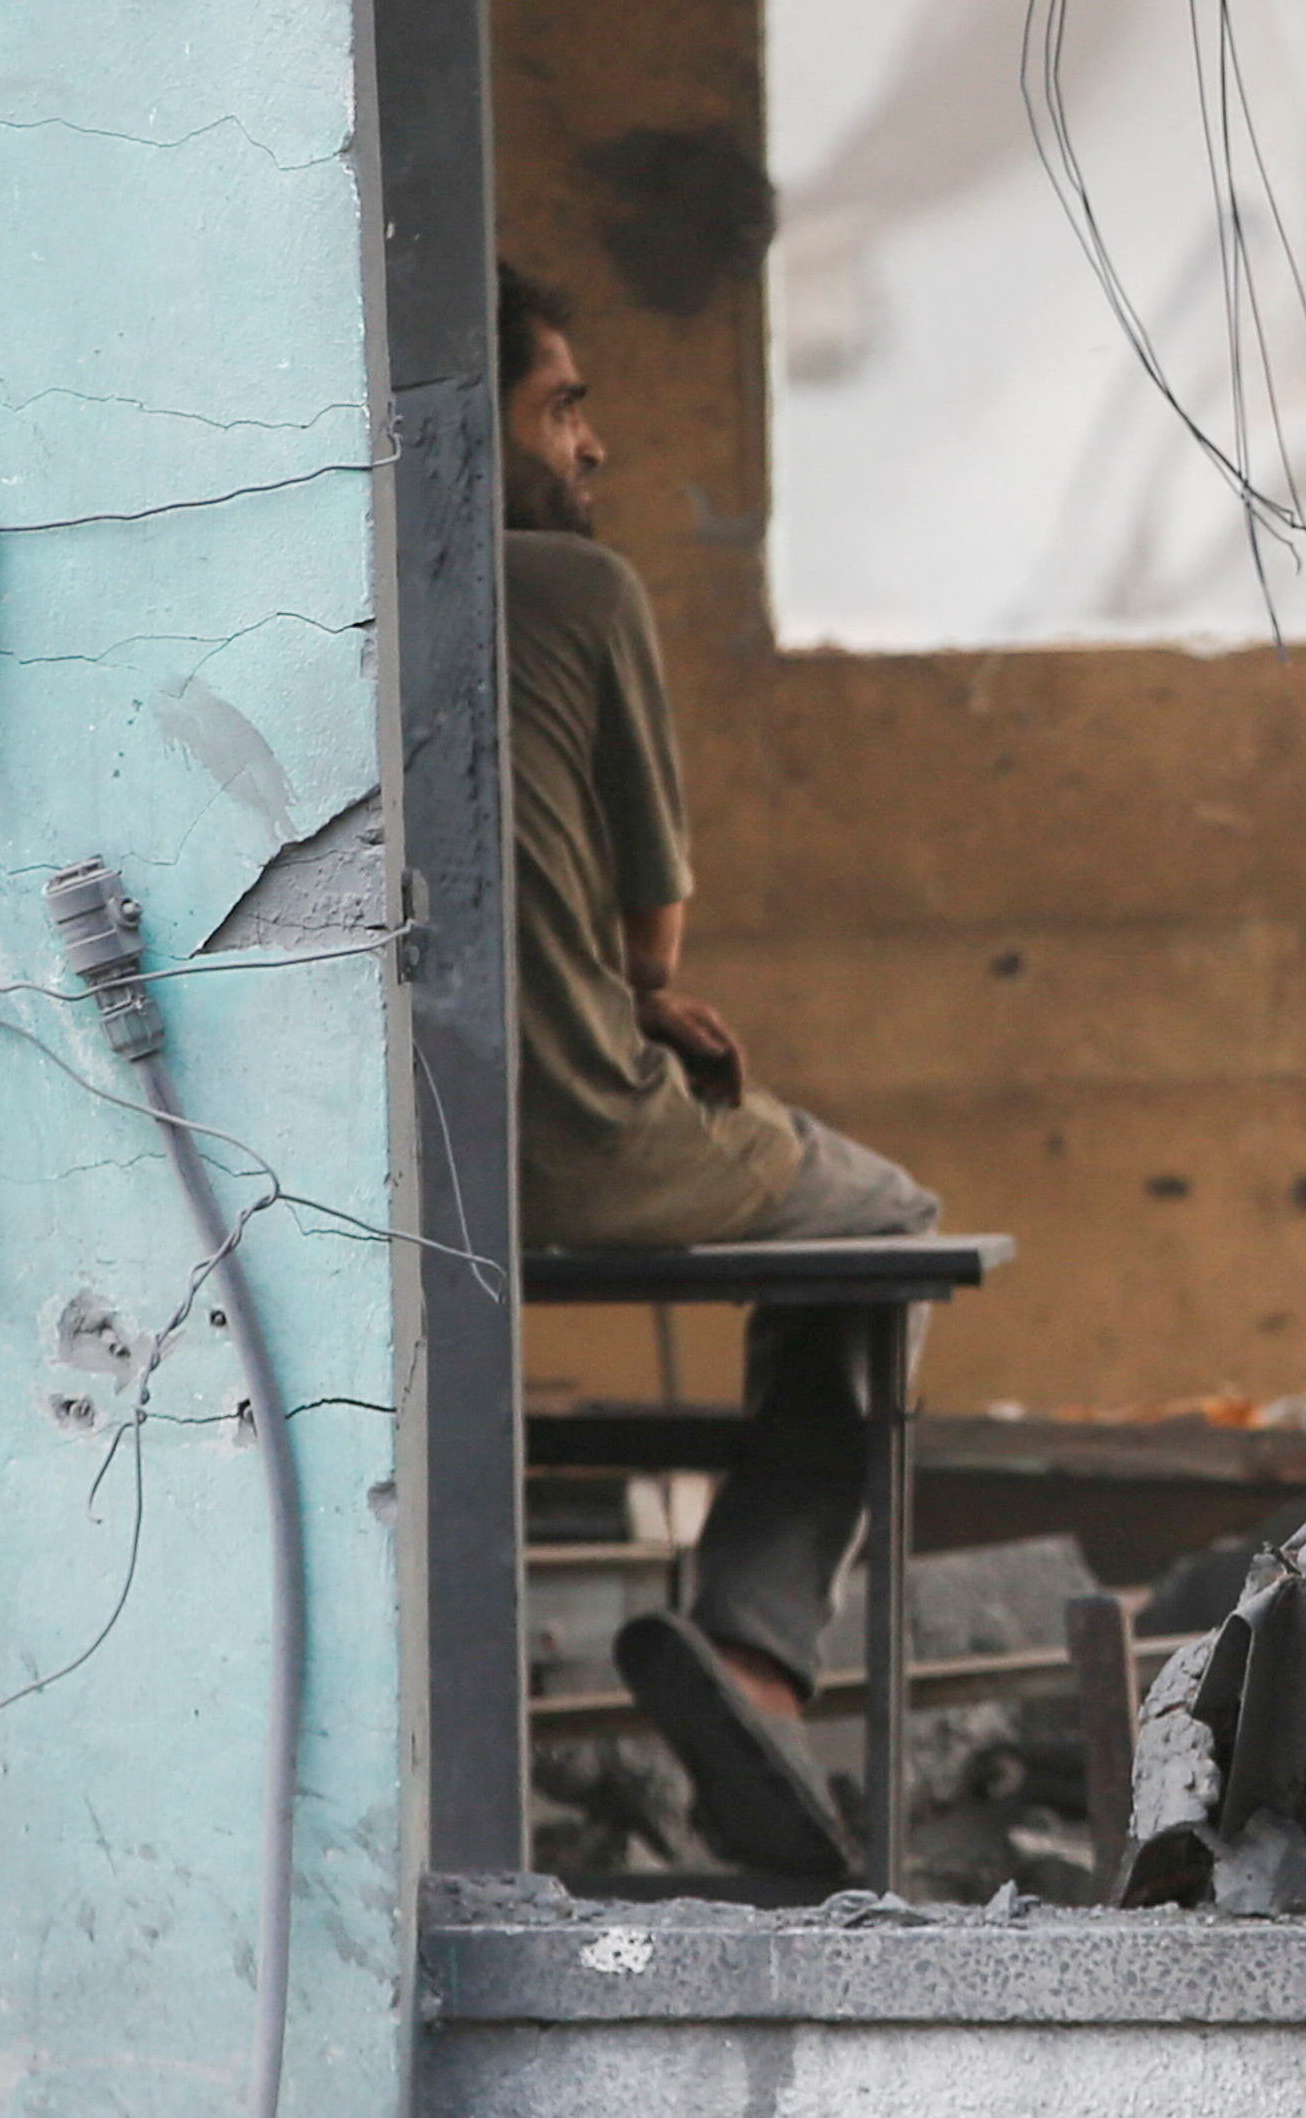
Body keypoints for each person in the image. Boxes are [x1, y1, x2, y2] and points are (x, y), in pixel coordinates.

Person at [498, 263, 946, 1884]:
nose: (594, 444)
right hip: (586, 1141)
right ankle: (756, 1642)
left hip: (406, 1163)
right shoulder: (571, 591)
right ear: (467, 421)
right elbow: (654, 930)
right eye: (560, 406)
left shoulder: (315, 585)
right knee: (888, 1227)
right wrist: (644, 992)